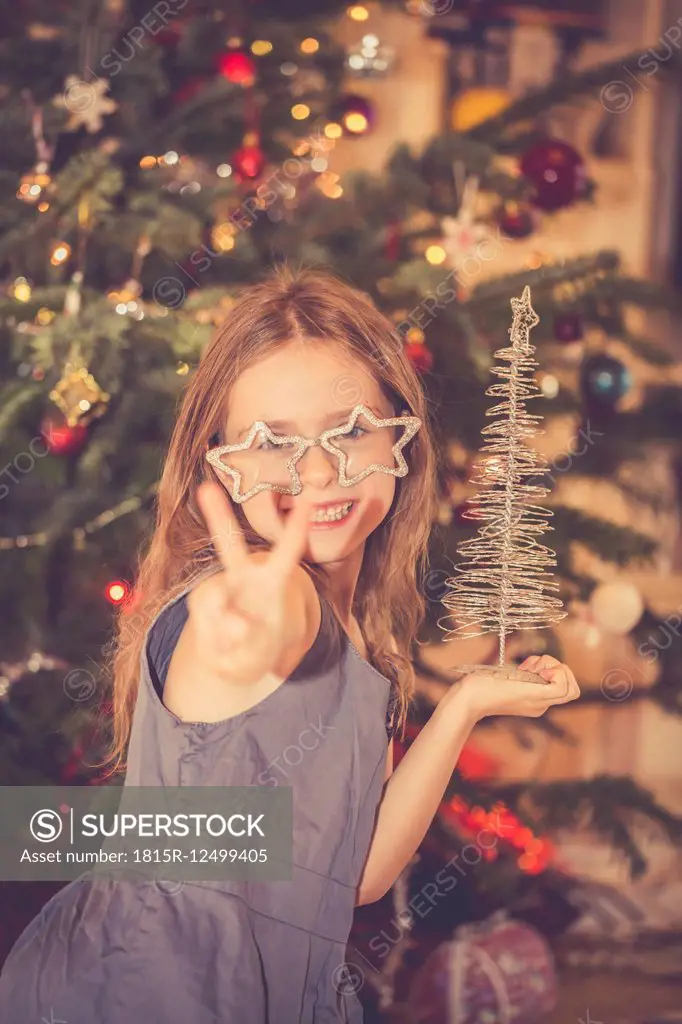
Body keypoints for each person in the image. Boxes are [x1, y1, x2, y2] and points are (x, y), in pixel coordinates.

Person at [0, 265, 579, 1023]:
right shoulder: (262, 603)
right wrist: (252, 642)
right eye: (272, 443)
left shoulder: (356, 637)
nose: (315, 471)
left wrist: (465, 705)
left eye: (351, 430)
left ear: (400, 438)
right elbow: (250, 635)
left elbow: (355, 876)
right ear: (222, 469)